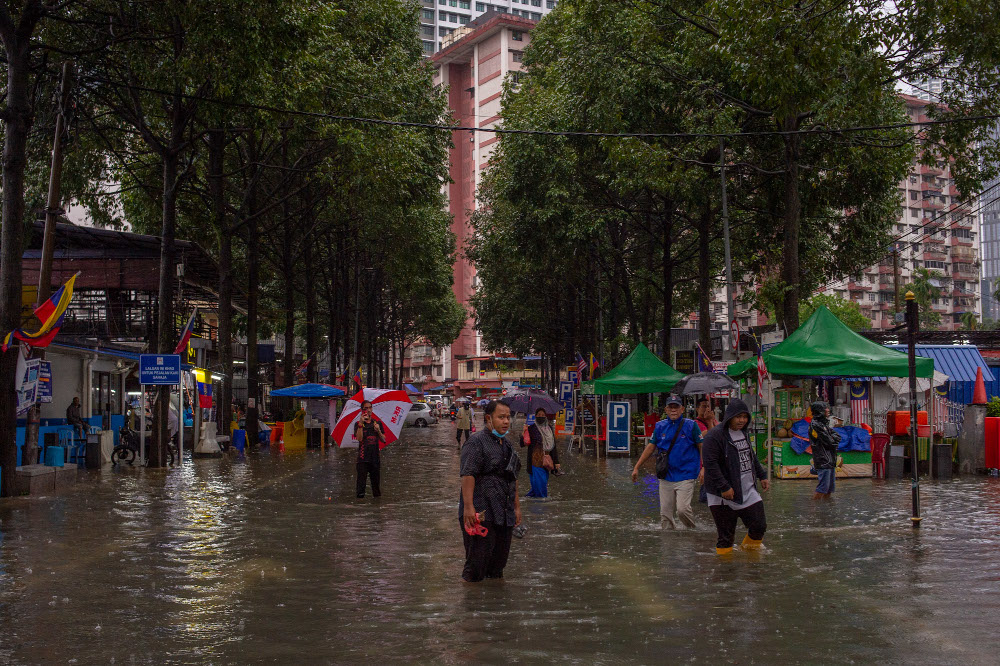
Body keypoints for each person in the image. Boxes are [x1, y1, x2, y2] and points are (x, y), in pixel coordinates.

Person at [459, 400, 522, 582]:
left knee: (498, 567)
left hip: (504, 512)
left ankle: (493, 606)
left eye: (508, 417)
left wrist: (517, 508)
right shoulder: (476, 442)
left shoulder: (508, 446)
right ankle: (472, 604)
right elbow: (468, 475)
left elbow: (513, 477)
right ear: (489, 419)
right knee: (476, 567)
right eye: (501, 417)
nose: (506, 421)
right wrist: (469, 508)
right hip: (481, 512)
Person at [702, 398, 769, 554]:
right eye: (738, 417)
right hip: (722, 495)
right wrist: (724, 486)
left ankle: (751, 559)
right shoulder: (715, 436)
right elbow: (710, 464)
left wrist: (762, 475)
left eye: (745, 417)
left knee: (759, 525)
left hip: (747, 489)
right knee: (726, 537)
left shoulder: (743, 433)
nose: (742, 420)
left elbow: (751, 455)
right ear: (730, 416)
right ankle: (725, 571)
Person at [631, 395, 703, 529]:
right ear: (666, 409)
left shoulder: (691, 425)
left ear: (682, 409)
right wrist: (636, 467)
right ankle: (669, 545)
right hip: (666, 474)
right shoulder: (660, 426)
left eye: (676, 407)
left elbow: (701, 446)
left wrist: (704, 467)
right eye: (671, 407)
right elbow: (651, 447)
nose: (673, 410)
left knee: (682, 510)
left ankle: (692, 534)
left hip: (686, 474)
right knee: (665, 515)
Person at [521, 407, 561, 498]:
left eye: (543, 415)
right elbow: (522, 444)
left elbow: (553, 446)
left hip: (547, 461)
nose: (541, 417)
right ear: (535, 416)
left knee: (540, 484)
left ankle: (530, 502)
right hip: (536, 460)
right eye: (539, 415)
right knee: (540, 486)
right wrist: (524, 432)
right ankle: (542, 506)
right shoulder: (531, 429)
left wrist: (556, 461)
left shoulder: (549, 428)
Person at [809, 401, 842, 500]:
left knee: (829, 488)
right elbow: (830, 441)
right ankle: (815, 510)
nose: (828, 410)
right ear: (819, 411)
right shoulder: (816, 425)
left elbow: (836, 436)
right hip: (823, 460)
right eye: (825, 408)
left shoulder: (823, 424)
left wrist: (833, 438)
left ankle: (827, 510)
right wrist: (833, 439)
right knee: (822, 488)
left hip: (830, 460)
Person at [354, 400, 385, 498]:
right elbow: (359, 438)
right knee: (361, 488)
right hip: (363, 459)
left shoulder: (377, 423)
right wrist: (360, 424)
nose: (368, 410)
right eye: (365, 408)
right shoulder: (358, 424)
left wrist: (378, 430)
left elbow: (384, 440)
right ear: (362, 410)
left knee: (376, 488)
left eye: (370, 407)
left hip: (375, 459)